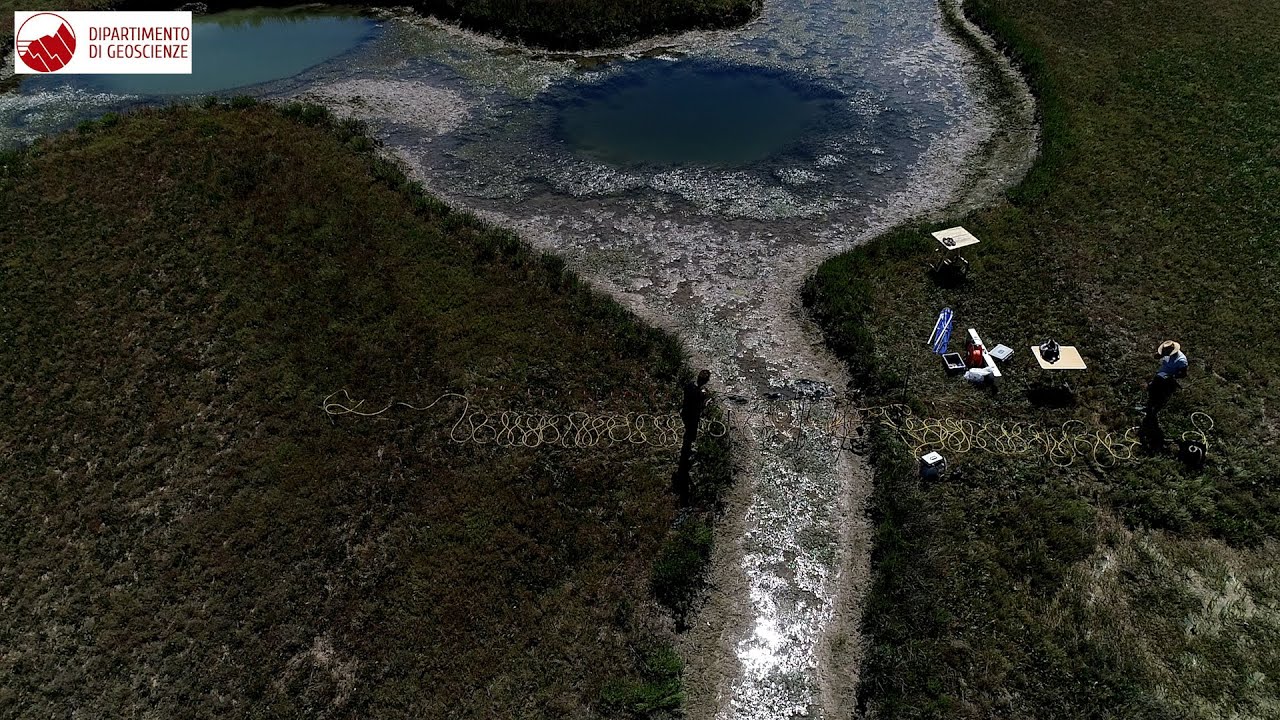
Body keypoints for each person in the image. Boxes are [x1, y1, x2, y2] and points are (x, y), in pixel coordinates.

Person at [673, 369, 711, 506]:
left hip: (685, 413)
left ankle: (686, 449)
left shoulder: (689, 386)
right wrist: (706, 398)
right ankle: (686, 453)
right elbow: (702, 405)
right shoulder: (699, 394)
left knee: (688, 433)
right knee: (690, 435)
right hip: (693, 418)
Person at [1147, 340, 1188, 413]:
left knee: (1160, 395)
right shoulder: (1167, 353)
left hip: (1169, 378)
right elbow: (1158, 356)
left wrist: (1172, 376)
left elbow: (1183, 374)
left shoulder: (1181, 361)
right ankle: (1150, 406)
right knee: (1152, 390)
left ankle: (1155, 409)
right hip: (1161, 374)